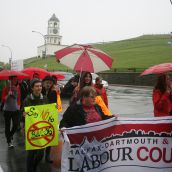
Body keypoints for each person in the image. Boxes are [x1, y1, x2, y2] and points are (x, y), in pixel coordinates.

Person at [22, 78, 48, 172]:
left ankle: (34, 166)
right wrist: (23, 115)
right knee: (31, 153)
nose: (39, 88)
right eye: (36, 86)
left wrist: (54, 108)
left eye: (40, 86)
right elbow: (22, 113)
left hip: (42, 129)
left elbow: (48, 112)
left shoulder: (45, 98)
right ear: (32, 88)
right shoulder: (27, 100)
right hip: (31, 129)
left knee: (41, 153)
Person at [1, 76, 21, 148]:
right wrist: (8, 95)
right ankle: (9, 142)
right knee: (7, 126)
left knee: (15, 125)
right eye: (14, 79)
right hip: (7, 110)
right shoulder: (6, 88)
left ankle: (10, 135)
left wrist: (19, 106)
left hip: (15, 109)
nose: (16, 80)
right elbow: (3, 99)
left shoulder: (17, 88)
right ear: (10, 80)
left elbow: (18, 98)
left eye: (16, 79)